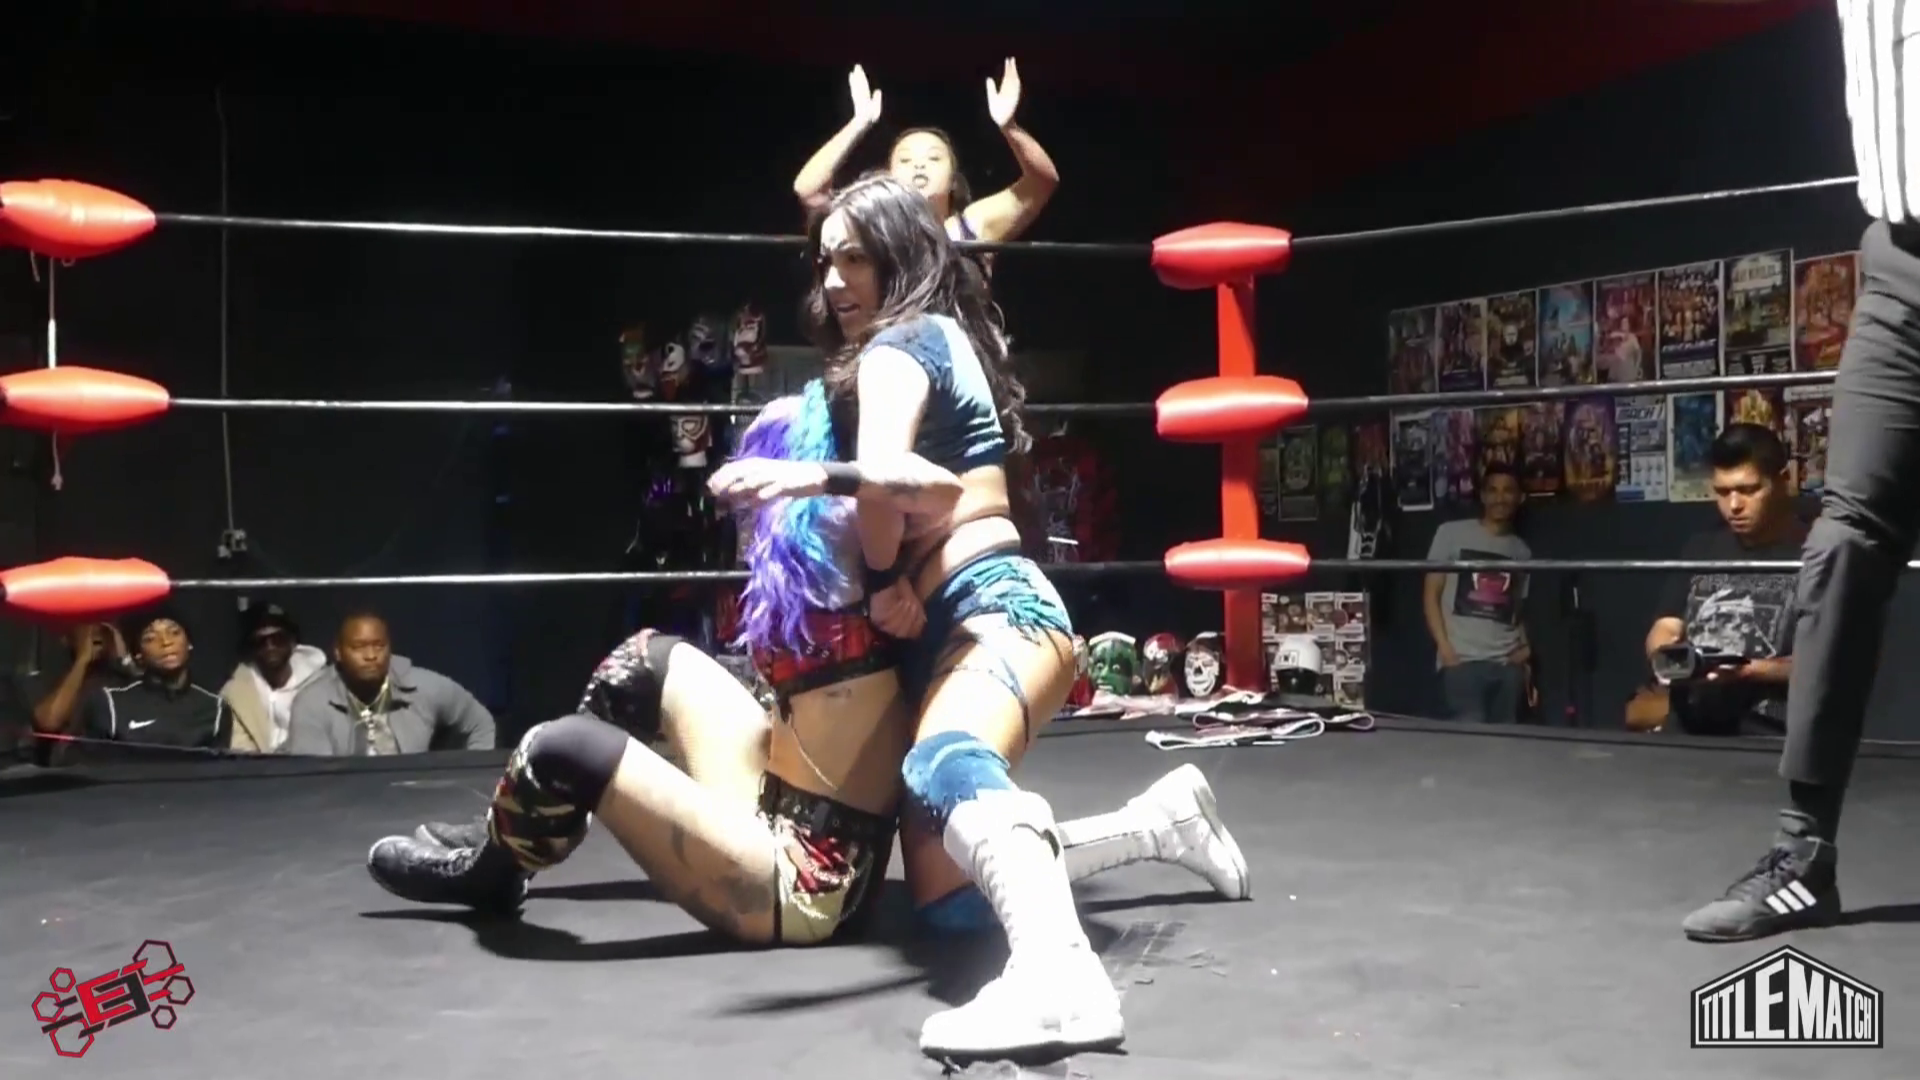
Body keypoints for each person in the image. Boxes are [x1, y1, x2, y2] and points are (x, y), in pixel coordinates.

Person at [369, 393, 1247, 955]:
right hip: (772, 782)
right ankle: (514, 842)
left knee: (561, 747)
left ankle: (496, 867)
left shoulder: (875, 523)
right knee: (645, 661)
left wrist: (826, 482)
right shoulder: (801, 517)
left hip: (808, 871)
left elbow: (940, 492)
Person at [800, 172, 1131, 1058]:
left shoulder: (897, 345)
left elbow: (882, 481)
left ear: (899, 255)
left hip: (992, 608)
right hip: (958, 622)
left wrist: (880, 576)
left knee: (947, 759)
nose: (833, 281)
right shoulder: (933, 335)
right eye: (824, 262)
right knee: (946, 898)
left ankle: (1060, 981)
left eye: (854, 258)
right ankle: (1160, 825)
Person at [1630, 425, 1803, 742]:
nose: (1734, 505)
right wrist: (1670, 658)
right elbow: (1665, 626)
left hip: (1768, 736)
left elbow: (1831, 663)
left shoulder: (1812, 555)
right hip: (1686, 731)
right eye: (1722, 492)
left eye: (1749, 490)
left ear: (1783, 481)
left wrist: (1747, 670)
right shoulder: (1701, 548)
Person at [792, 61, 1059, 264]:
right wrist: (858, 123)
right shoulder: (871, 224)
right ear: (889, 177)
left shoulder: (976, 224)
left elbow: (1041, 182)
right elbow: (809, 191)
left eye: (933, 158)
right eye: (906, 159)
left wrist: (1010, 128)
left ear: (953, 179)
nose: (919, 166)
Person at [282, 613, 495, 755]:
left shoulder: (424, 687)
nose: (371, 656)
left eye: (379, 646)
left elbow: (480, 723)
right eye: (358, 647)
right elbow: (315, 778)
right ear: (338, 652)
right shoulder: (312, 703)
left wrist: (468, 777)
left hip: (417, 799)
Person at [1421, 461, 1532, 723]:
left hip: (1506, 665)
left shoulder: (1522, 551)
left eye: (1508, 491)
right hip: (1462, 662)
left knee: (1507, 741)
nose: (1500, 498)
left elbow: (1516, 611)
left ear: (1520, 498)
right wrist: (1445, 650)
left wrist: (1526, 653)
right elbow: (1430, 594)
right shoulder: (1451, 533)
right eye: (1493, 490)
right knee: (1470, 736)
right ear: (1482, 496)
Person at [76, 611, 230, 750]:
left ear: (189, 643)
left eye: (174, 632)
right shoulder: (110, 703)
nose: (166, 642)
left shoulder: (215, 708)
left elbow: (219, 769)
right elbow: (91, 766)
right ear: (138, 654)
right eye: (150, 638)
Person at [221, 602, 329, 754]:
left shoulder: (324, 687)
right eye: (260, 642)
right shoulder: (235, 693)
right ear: (250, 648)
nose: (270, 646)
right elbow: (238, 749)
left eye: (278, 639)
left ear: (292, 642)